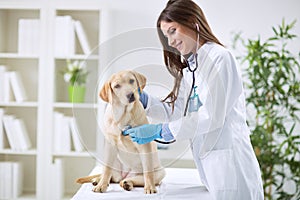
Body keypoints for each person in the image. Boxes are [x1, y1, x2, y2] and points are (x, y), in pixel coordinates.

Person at [123, 0, 264, 199]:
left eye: (172, 31)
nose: (170, 42)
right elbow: (178, 111)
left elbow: (213, 116)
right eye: (166, 35)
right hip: (211, 168)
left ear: (191, 22)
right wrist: (144, 100)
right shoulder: (191, 69)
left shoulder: (220, 58)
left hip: (231, 168)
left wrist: (161, 131)